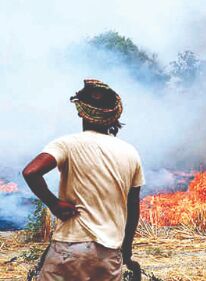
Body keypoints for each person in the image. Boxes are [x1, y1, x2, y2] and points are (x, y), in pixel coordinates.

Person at [23, 79, 145, 280]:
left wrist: (53, 204)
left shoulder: (66, 144)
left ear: (81, 111)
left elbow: (31, 172)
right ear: (113, 115)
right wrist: (127, 251)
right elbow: (133, 208)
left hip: (69, 248)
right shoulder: (130, 153)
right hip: (109, 253)